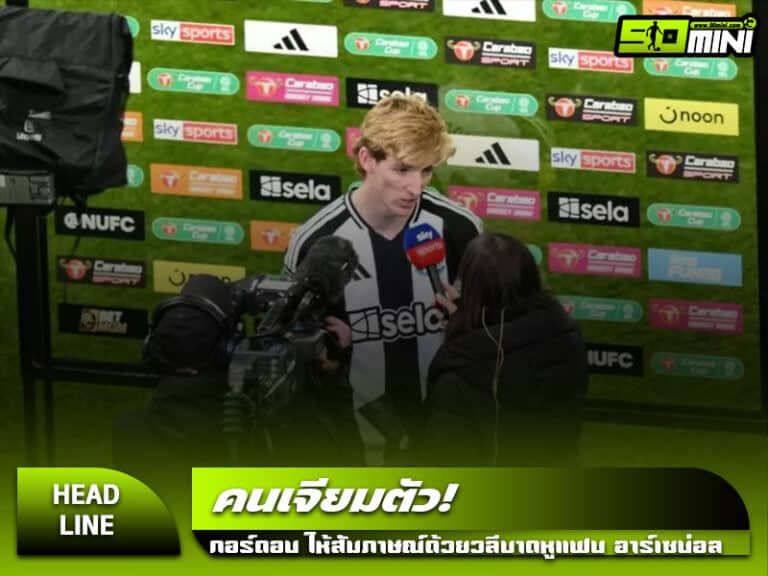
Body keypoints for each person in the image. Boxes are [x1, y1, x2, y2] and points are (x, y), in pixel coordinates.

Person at [283, 95, 482, 463]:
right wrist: (323, 354)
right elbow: (291, 350)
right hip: (351, 442)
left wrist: (468, 321)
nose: (416, 187)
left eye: (426, 171)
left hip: (445, 433)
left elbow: (494, 336)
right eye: (402, 169)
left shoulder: (460, 228)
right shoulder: (316, 241)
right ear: (366, 159)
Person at [421, 233, 588, 466]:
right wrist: (468, 321)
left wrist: (461, 331)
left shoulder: (457, 375)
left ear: (470, 291)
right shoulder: (568, 336)